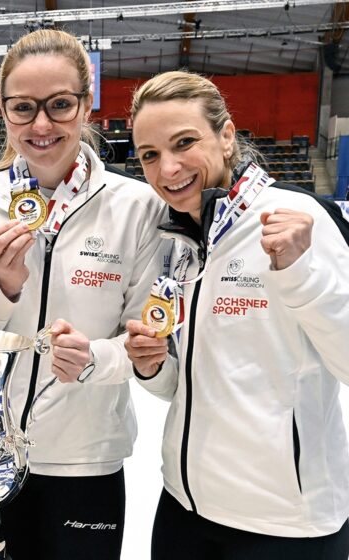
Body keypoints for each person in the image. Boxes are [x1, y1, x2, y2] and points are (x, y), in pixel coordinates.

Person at [0, 29, 169, 559]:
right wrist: (3, 288)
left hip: (85, 459)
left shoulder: (137, 205)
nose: (42, 125)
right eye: (24, 108)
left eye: (60, 105)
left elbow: (144, 341)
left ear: (87, 105)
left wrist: (93, 358)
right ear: (3, 110)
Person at [126, 70, 349, 559]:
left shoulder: (300, 219)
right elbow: (182, 388)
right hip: (184, 509)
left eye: (184, 142)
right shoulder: (179, 242)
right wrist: (152, 365)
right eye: (149, 155)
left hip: (283, 525)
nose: (168, 169)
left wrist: (301, 275)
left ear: (226, 136)